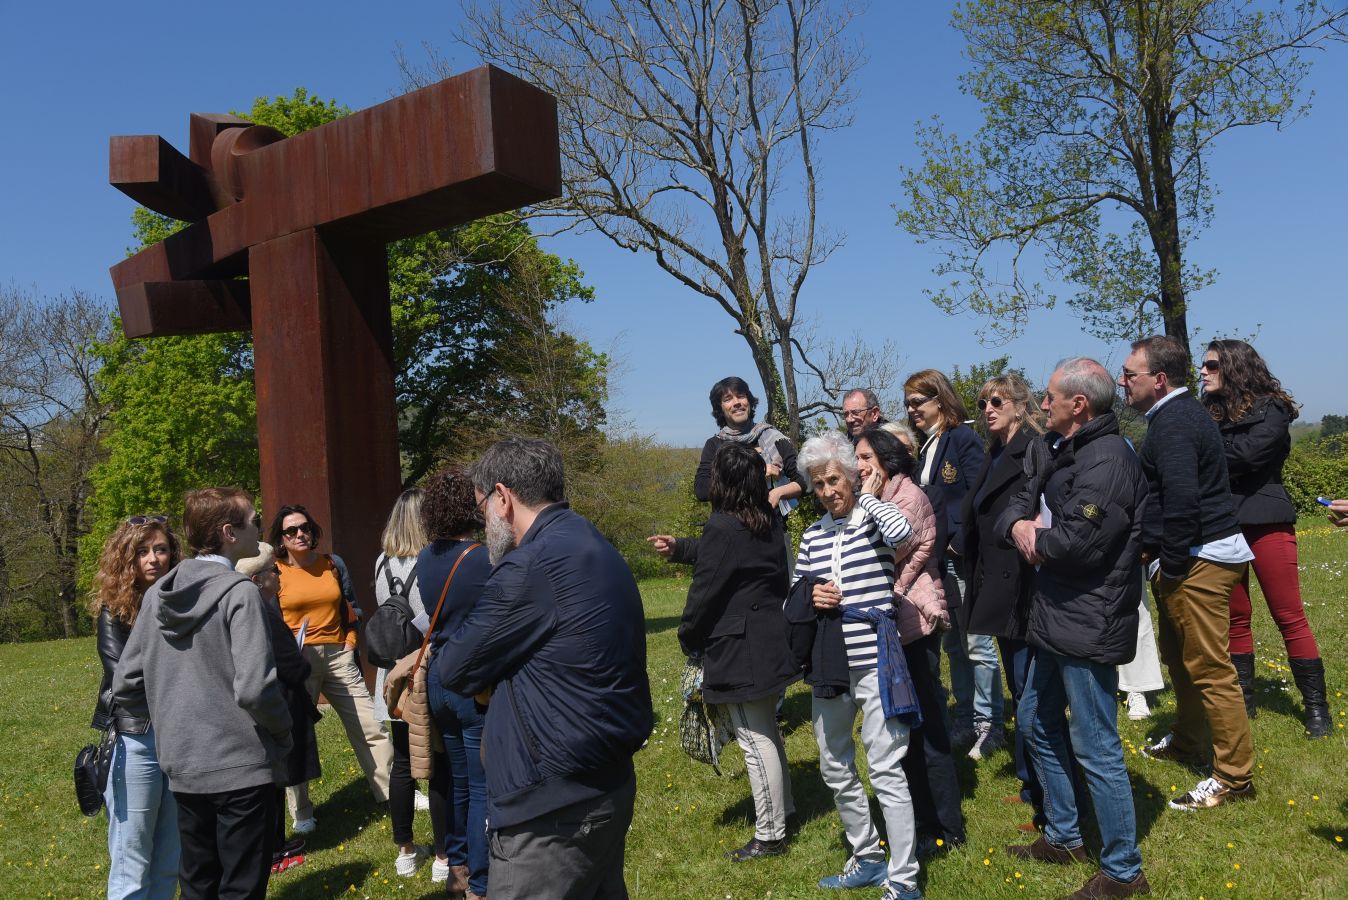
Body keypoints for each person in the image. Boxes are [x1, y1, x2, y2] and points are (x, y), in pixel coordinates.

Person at [437, 438, 654, 899]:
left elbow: (455, 668)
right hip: (604, 782)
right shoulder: (593, 542)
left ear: (503, 496)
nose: (484, 521)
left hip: (551, 811)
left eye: (483, 507)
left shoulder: (531, 565)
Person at [998, 357, 1151, 899]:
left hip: (1087, 620)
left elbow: (1075, 544)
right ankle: (1064, 837)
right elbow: (1017, 501)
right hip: (1053, 616)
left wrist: (1032, 538)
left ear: (1078, 405)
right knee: (1035, 719)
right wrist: (1020, 523)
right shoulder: (1064, 449)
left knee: (1096, 744)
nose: (1043, 404)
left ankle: (1124, 871)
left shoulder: (1107, 461)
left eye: (1049, 396)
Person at [113, 488, 292, 900]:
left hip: (183, 767)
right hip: (242, 766)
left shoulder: (158, 594)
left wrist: (173, 719)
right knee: (241, 888)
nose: (260, 528)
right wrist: (283, 732)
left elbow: (127, 682)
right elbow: (254, 690)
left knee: (198, 885)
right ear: (229, 533)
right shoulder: (240, 593)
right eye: (254, 521)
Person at [1121, 335, 1256, 811]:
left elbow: (1181, 502)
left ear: (1158, 380)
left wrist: (1172, 565)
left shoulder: (1175, 423)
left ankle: (1234, 778)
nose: (1123, 382)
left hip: (1199, 558)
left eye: (1130, 375)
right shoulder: (1171, 417)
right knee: (1182, 659)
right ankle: (1187, 740)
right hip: (1189, 556)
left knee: (1210, 669)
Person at [796, 432, 923, 900]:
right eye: (820, 484)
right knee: (834, 765)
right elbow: (795, 592)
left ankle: (904, 877)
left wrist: (869, 498)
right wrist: (812, 594)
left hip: (877, 660)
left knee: (886, 768)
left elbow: (902, 535)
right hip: (830, 661)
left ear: (851, 476)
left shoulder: (873, 521)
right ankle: (867, 855)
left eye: (835, 479)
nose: (829, 491)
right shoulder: (812, 534)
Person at [667, 443, 799, 861]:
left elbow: (704, 593)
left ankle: (770, 835)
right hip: (770, 634)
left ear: (723, 482)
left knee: (753, 738)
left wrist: (689, 637)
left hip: (738, 644)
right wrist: (680, 548)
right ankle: (786, 811)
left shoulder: (724, 526)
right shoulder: (767, 520)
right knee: (766, 733)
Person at [1200, 339, 1333, 737]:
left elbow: (1249, 456)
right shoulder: (1207, 412)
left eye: (1211, 365)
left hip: (1267, 520)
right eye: (1203, 365)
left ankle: (1316, 709)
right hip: (1223, 522)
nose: (1203, 372)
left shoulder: (1271, 408)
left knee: (1289, 615)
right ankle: (1245, 703)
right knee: (1236, 618)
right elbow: (1205, 456)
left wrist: (1213, 451)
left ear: (1234, 367)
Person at [855, 425, 965, 858]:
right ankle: (916, 818)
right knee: (904, 727)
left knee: (927, 726)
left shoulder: (907, 499)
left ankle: (945, 826)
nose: (858, 466)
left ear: (887, 460)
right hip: (892, 625)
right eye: (857, 459)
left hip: (913, 625)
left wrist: (864, 499)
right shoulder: (886, 496)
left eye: (865, 458)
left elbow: (883, 550)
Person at [960, 374, 1051, 829]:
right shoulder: (994, 451)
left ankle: (1044, 791)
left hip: (1022, 579)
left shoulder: (1033, 448)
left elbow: (1034, 507)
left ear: (1019, 404)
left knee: (1029, 689)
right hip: (994, 579)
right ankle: (1029, 779)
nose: (988, 408)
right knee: (1019, 686)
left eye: (997, 401)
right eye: (982, 402)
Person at [270, 504, 393, 834]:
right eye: (291, 531)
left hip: (338, 653)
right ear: (280, 539)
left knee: (369, 722)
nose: (300, 534)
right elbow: (268, 620)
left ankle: (392, 792)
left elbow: (351, 607)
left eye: (305, 527)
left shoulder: (332, 564)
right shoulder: (275, 572)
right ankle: (302, 812)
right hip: (298, 660)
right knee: (296, 736)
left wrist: (351, 642)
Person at [905, 368, 1003, 757]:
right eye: (908, 403)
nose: (911, 409)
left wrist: (960, 545)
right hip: (936, 562)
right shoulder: (927, 445)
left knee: (977, 643)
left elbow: (980, 495)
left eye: (918, 402)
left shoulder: (962, 438)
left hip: (961, 560)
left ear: (940, 400)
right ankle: (965, 718)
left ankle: (989, 723)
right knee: (953, 646)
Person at [90, 516, 182, 900]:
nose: (153, 559)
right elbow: (122, 674)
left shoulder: (184, 601)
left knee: (169, 860)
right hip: (136, 738)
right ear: (126, 560)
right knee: (132, 859)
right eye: (142, 552)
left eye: (160, 549)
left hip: (180, 737)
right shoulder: (114, 610)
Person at [371, 489, 453, 881]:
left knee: (402, 763)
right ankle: (442, 855)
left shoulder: (380, 563)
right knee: (437, 763)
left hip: (389, 676)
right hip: (422, 670)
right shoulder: (432, 561)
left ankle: (405, 850)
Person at [421, 468, 493, 899]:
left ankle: (458, 868)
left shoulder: (426, 557)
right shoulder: (481, 558)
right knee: (482, 785)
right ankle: (480, 884)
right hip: (471, 680)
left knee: (459, 782)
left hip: (438, 676)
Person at [234, 543, 319, 875]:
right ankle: (271, 851)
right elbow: (289, 664)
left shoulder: (265, 606)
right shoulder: (263, 611)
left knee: (276, 777)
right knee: (272, 777)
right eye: (273, 570)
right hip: (277, 700)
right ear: (257, 579)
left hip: (276, 699)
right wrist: (302, 662)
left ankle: (277, 843)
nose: (279, 573)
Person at [694, 376, 806, 522]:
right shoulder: (715, 445)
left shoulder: (774, 438)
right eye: (728, 399)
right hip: (729, 534)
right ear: (720, 408)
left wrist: (779, 492)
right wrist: (756, 473)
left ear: (749, 401)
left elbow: (805, 481)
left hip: (771, 532)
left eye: (741, 396)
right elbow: (701, 490)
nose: (736, 403)